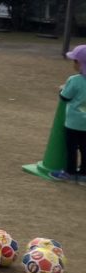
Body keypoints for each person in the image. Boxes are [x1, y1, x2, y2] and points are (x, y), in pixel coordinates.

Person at [51, 45, 86, 182]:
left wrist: (62, 89)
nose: (73, 64)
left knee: (71, 148)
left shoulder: (74, 80)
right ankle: (84, 174)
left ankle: (69, 172)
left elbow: (65, 97)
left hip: (74, 123)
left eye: (75, 61)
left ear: (80, 63)